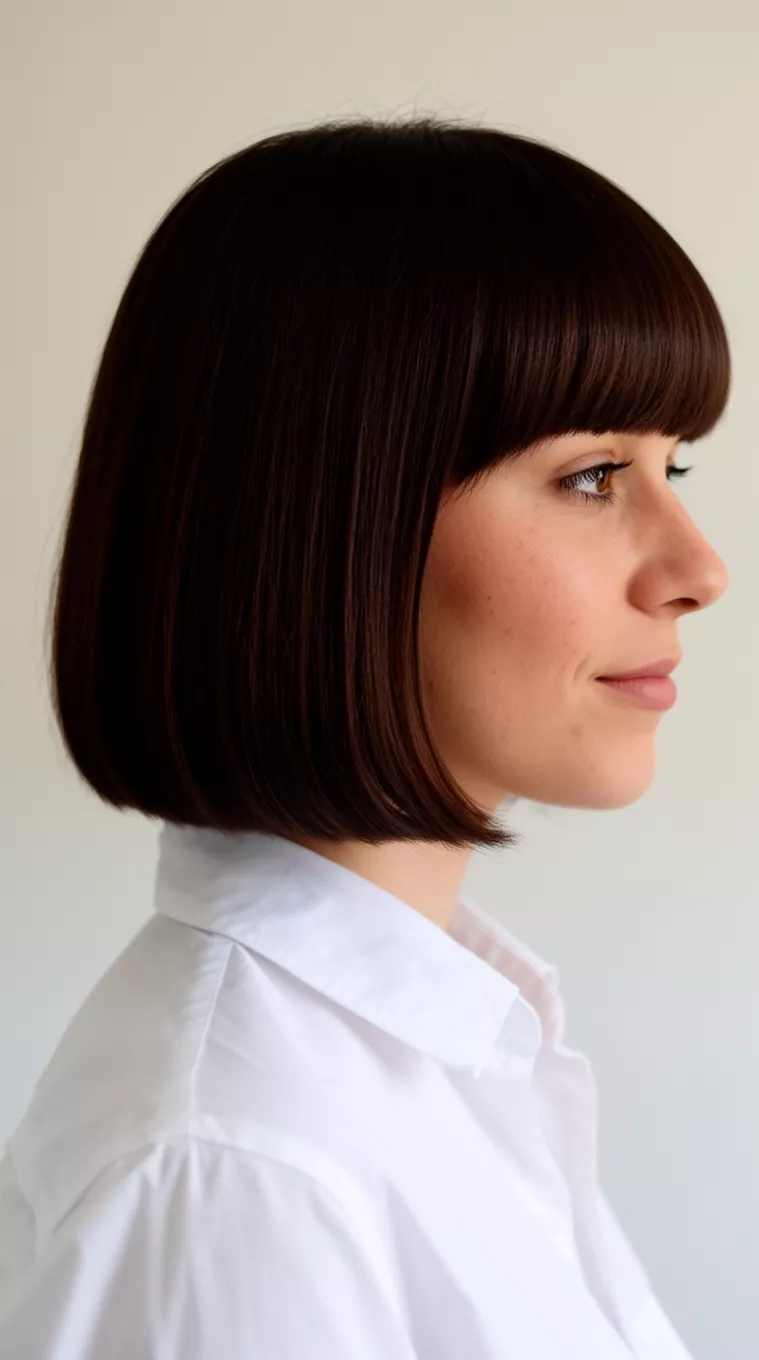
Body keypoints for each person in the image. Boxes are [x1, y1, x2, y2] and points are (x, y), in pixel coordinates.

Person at [0, 115, 729, 1358]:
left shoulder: (432, 1065)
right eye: (595, 476)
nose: (699, 570)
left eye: (678, 468)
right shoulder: (244, 1178)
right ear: (330, 519)